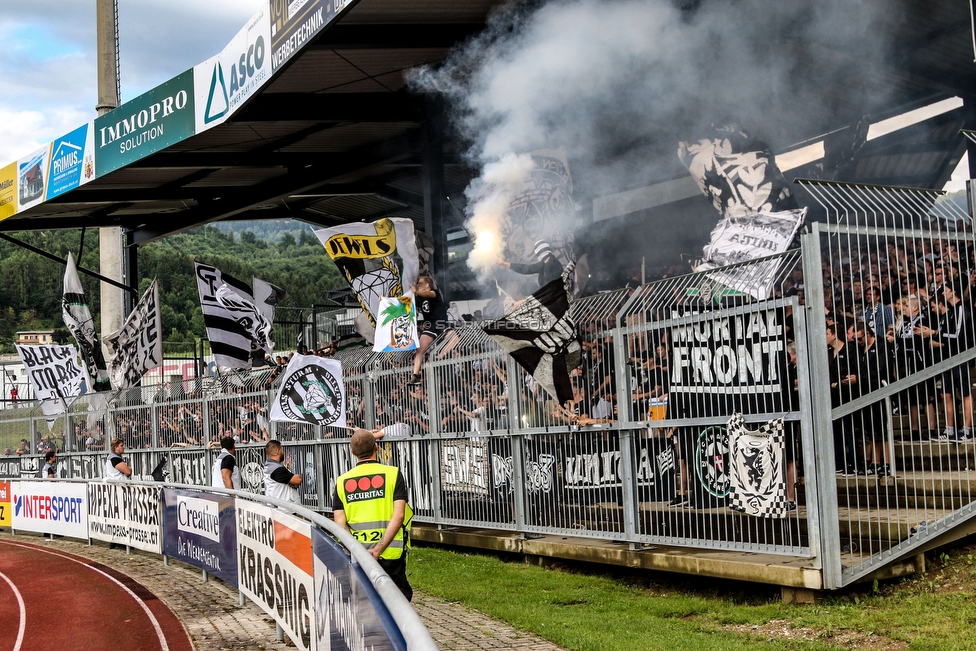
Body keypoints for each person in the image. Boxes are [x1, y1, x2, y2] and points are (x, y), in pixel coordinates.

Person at [333, 429, 413, 601]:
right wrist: (378, 549)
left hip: (359, 552)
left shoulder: (342, 481)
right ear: (376, 447)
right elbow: (399, 516)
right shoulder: (393, 474)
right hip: (390, 552)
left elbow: (339, 522)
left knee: (366, 601)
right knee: (397, 601)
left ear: (352, 452)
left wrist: (358, 551)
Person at [407, 275, 449, 386]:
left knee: (455, 338)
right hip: (430, 325)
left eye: (420, 284)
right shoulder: (419, 298)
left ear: (427, 285)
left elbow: (427, 294)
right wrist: (385, 300)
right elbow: (404, 302)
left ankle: (439, 357)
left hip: (441, 324)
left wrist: (416, 291)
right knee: (420, 350)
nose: (417, 286)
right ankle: (415, 375)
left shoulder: (434, 292)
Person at [497, 240, 564, 290]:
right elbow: (526, 269)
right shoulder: (548, 261)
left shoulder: (548, 263)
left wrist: (504, 263)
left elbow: (526, 269)